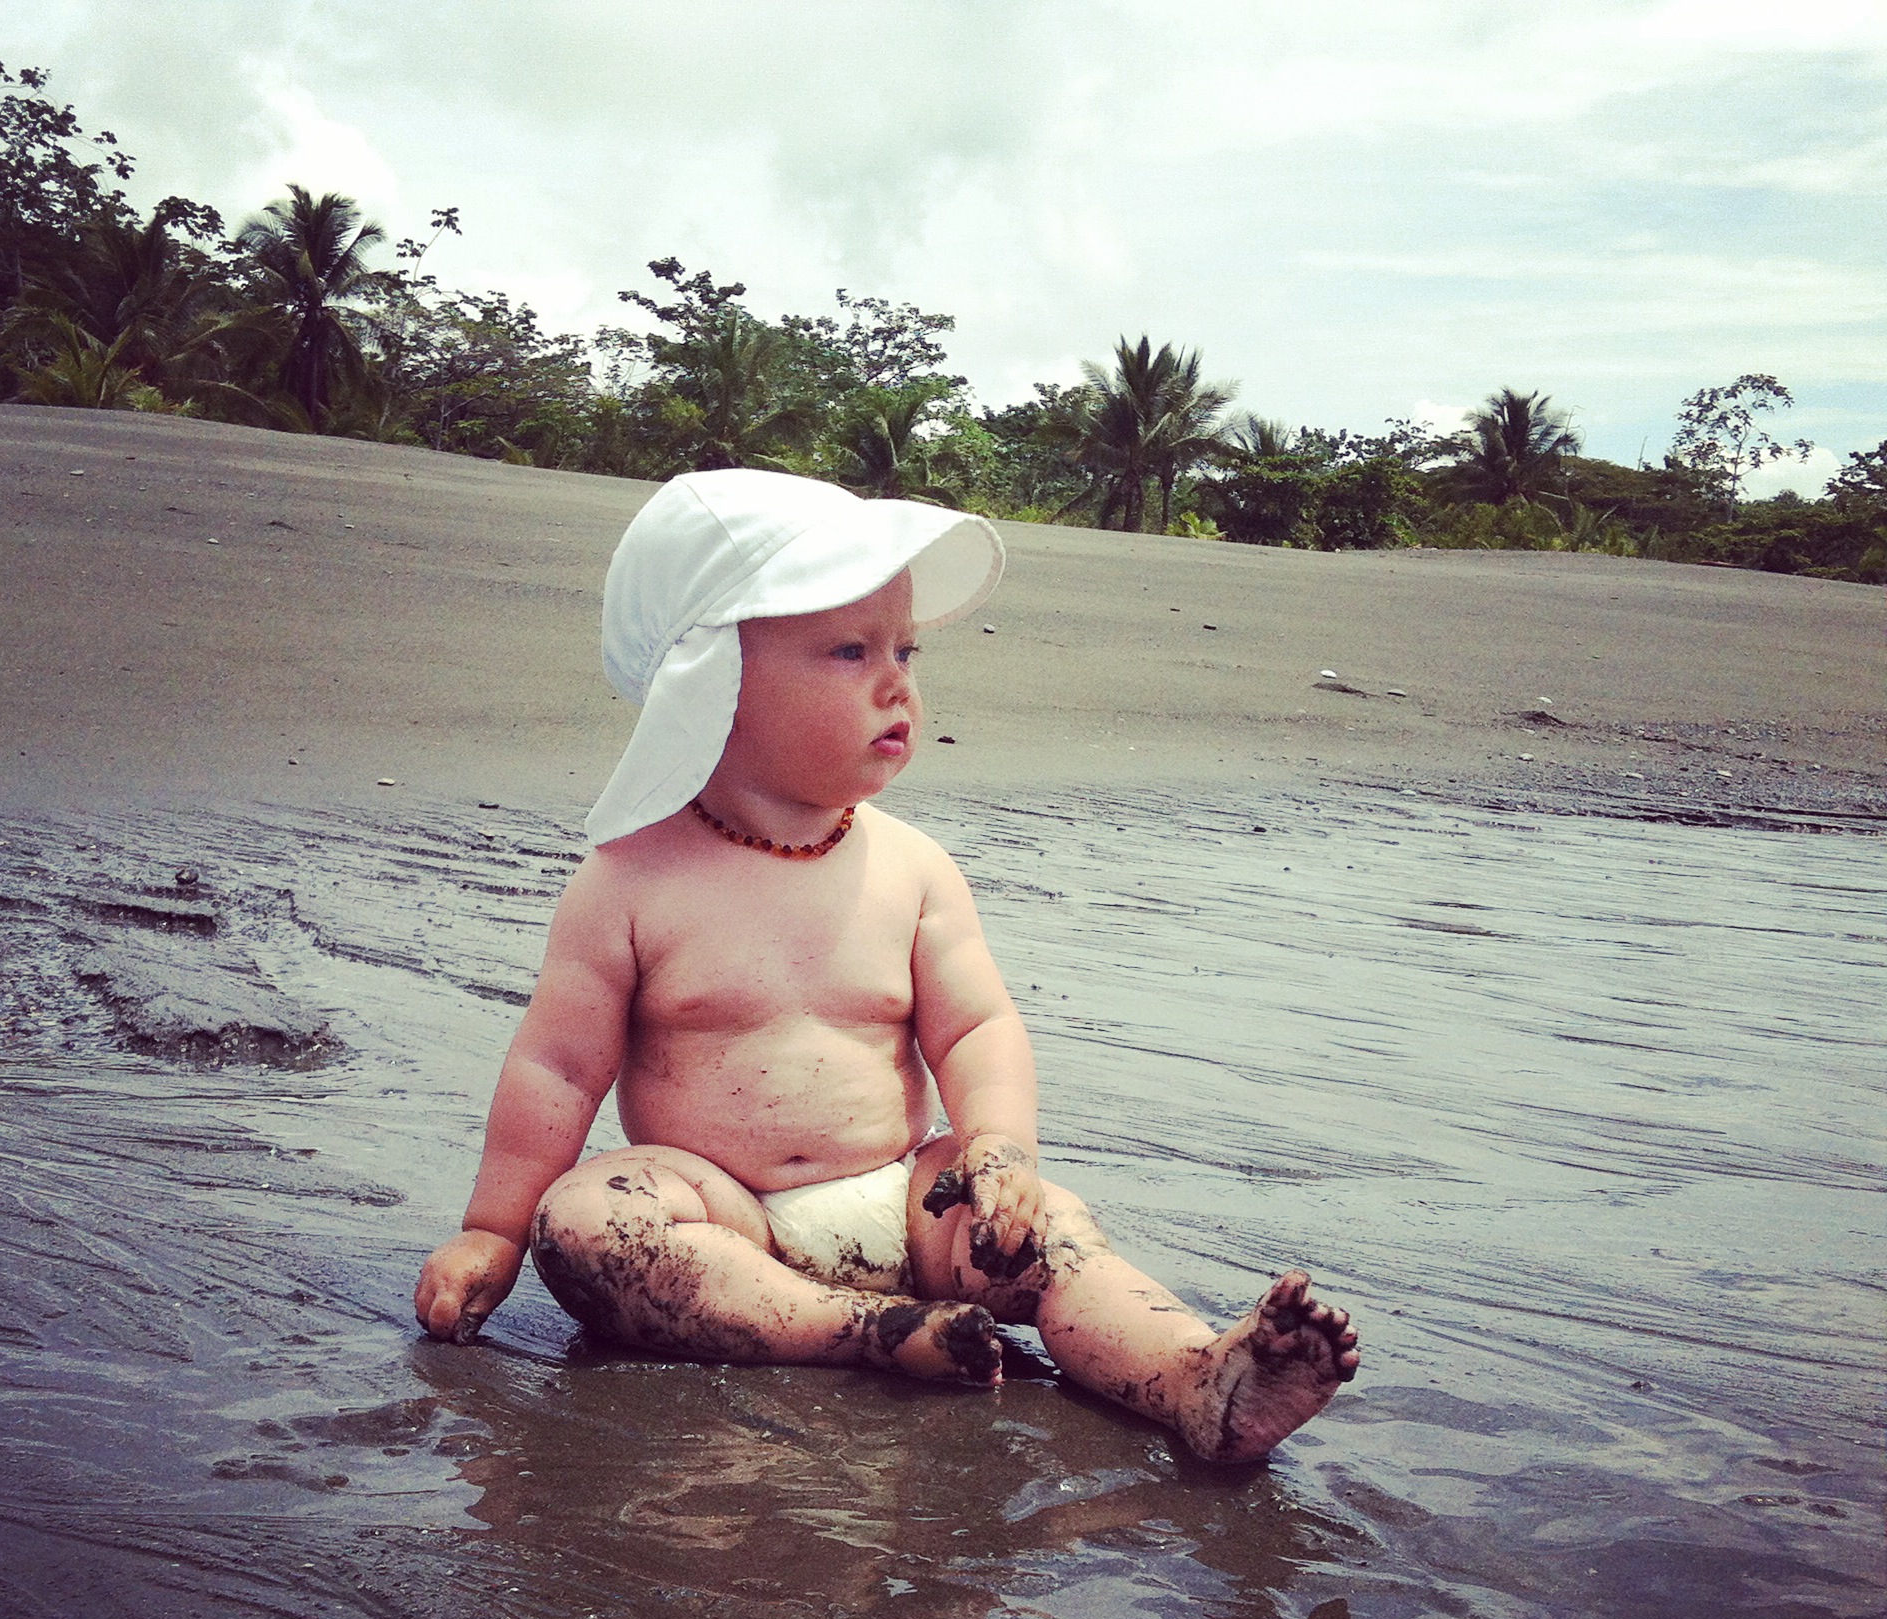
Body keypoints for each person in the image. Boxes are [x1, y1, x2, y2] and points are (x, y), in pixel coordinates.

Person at [415, 470, 1358, 1462]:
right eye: (850, 651)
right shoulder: (628, 883)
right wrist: (494, 1232)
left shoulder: (911, 868)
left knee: (1050, 1235)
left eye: (905, 649)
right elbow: (557, 1070)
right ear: (712, 683)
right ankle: (862, 1331)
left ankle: (1192, 1376)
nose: (898, 683)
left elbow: (976, 1027)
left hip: (910, 1201)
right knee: (590, 1222)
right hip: (729, 1220)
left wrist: (1000, 1150)